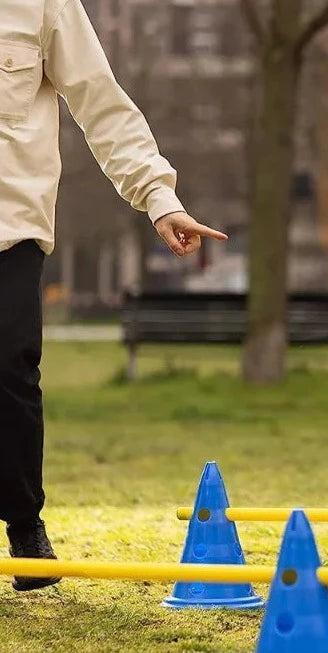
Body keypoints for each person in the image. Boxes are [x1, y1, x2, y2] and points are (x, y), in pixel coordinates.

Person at [0, 0, 229, 590]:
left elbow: (100, 103)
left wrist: (158, 197)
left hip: (9, 229)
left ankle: (24, 523)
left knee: (11, 370)